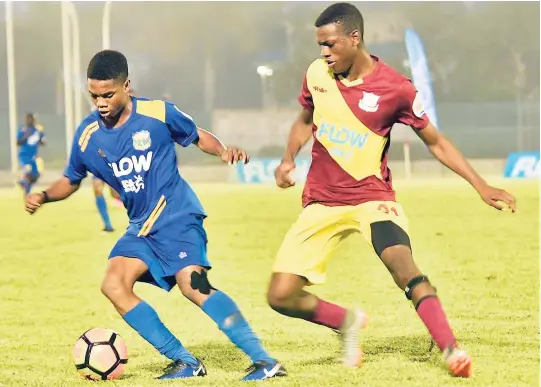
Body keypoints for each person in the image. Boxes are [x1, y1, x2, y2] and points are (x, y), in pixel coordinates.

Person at [267, 2, 516, 378]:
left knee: (402, 263)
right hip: (322, 200)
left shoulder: (396, 88)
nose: (324, 53)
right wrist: (288, 159)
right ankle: (346, 321)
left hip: (373, 198)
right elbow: (305, 120)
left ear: (355, 38)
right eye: (320, 45)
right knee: (280, 296)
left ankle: (451, 349)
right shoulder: (317, 73)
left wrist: (480, 184)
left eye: (331, 44)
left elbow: (435, 142)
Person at [25, 49, 286, 381]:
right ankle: (185, 361)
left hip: (176, 213)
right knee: (114, 284)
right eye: (94, 95)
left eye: (108, 94)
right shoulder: (87, 136)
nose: (101, 102)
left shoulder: (156, 112)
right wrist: (45, 195)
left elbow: (196, 135)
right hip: (141, 225)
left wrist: (222, 150)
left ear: (126, 86)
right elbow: (70, 180)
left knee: (193, 285)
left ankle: (265, 361)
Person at [17, 113, 46, 195]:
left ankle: (25, 186)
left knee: (36, 175)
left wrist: (42, 137)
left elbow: (43, 142)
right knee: (28, 172)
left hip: (33, 157)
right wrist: (26, 136)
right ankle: (23, 184)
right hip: (24, 155)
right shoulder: (23, 130)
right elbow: (18, 142)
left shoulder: (37, 131)